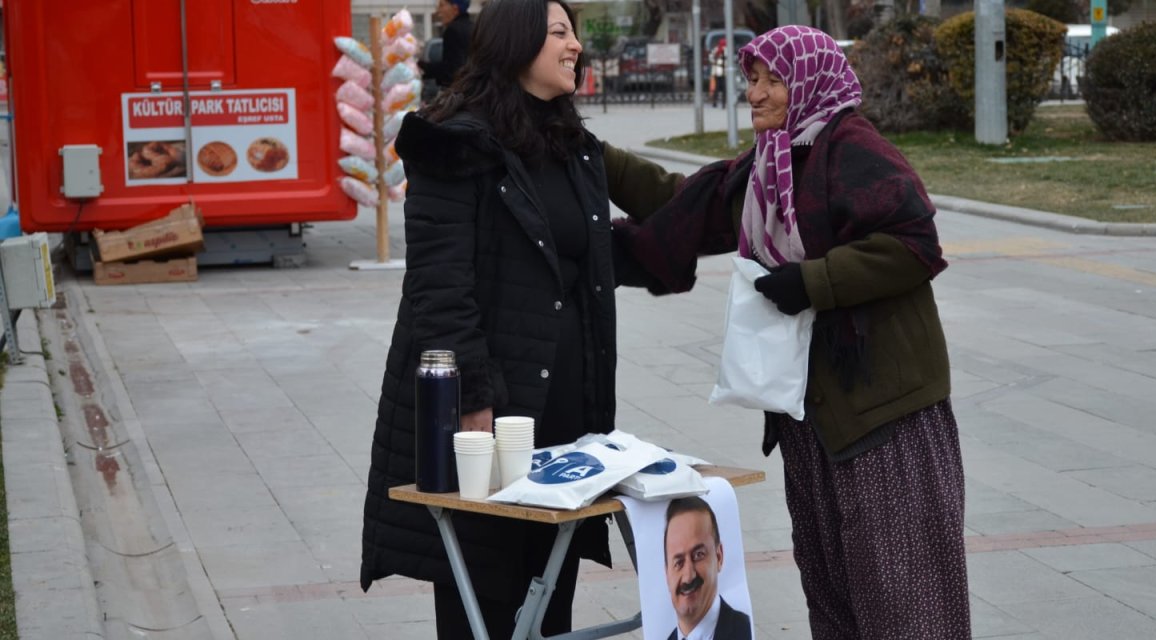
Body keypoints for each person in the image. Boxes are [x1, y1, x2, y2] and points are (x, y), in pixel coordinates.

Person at [615, 25, 971, 639]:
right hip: (812, 424)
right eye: (751, 79)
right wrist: (588, 158)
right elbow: (684, 204)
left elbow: (915, 244)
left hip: (885, 420)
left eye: (771, 79)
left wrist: (815, 281)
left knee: (907, 604)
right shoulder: (767, 169)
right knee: (834, 598)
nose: (754, 93)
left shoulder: (852, 148)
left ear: (808, 80)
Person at [360, 0, 683, 638]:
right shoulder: (451, 141)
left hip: (565, 400)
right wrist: (473, 397)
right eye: (559, 33)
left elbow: (586, 254)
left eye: (573, 35)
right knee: (482, 590)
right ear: (517, 43)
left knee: (549, 587)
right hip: (489, 412)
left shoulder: (571, 145)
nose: (575, 47)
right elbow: (439, 287)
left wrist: (692, 244)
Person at [663, 497, 752, 640]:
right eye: (679, 562)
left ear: (719, 556)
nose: (688, 576)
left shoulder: (744, 631)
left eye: (698, 555)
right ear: (667, 574)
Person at [419, 0, 472, 88]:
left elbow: (451, 69)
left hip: (458, 91)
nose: (438, 10)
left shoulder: (453, 30)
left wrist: (422, 68)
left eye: (442, 5)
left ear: (455, 8)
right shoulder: (473, 27)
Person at [708, 38, 727, 108]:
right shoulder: (716, 49)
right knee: (717, 88)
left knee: (723, 88)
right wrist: (715, 61)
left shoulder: (726, 50)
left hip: (724, 72)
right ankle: (715, 102)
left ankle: (723, 103)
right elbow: (710, 57)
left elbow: (728, 59)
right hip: (717, 71)